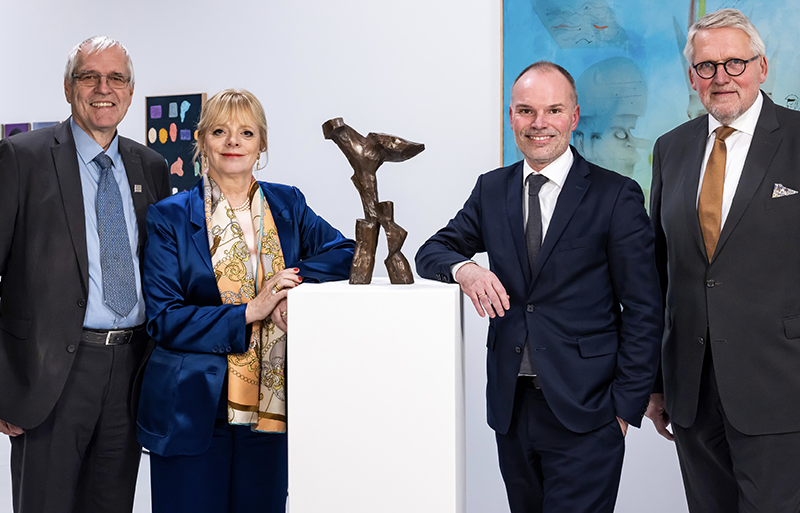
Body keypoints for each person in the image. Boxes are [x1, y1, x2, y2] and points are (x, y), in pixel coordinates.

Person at [415, 61, 662, 513]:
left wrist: (623, 409)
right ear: (511, 116)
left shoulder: (616, 195)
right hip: (513, 407)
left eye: (553, 110)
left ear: (573, 115)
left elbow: (645, 309)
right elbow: (432, 251)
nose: (539, 124)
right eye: (526, 111)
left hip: (589, 409)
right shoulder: (492, 189)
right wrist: (467, 270)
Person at [136, 88, 355, 513]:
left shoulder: (287, 203)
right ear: (201, 141)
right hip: (192, 406)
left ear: (262, 144)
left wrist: (290, 286)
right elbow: (164, 318)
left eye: (246, 132)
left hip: (271, 405)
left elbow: (344, 252)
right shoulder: (170, 217)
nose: (233, 142)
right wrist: (250, 311)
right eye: (220, 131)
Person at [0, 36, 171, 512]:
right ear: (67, 86)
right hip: (49, 373)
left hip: (130, 369)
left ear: (131, 91)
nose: (103, 88)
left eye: (115, 77)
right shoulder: (22, 158)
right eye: (88, 76)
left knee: (112, 503)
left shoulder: (150, 166)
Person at [647, 8, 800, 512]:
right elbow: (659, 273)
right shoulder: (671, 149)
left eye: (735, 63)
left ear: (762, 68)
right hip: (691, 392)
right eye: (707, 66)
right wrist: (655, 383)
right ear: (693, 77)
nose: (721, 77)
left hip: (781, 387)